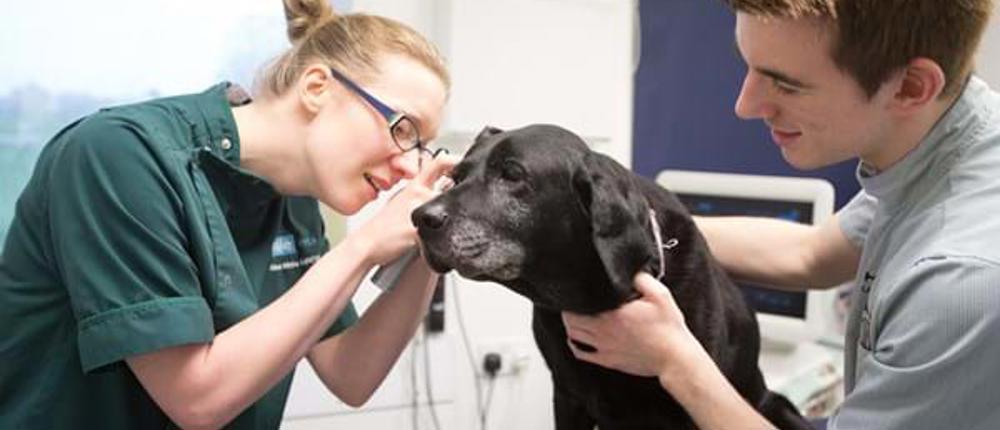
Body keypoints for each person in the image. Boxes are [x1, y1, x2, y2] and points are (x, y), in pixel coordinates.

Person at [0, 0, 458, 428]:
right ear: (317, 87)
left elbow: (350, 373)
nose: (407, 165)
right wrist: (362, 248)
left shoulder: (294, 198)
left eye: (420, 146)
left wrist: (439, 237)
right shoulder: (119, 157)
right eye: (403, 128)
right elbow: (197, 401)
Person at [562, 0, 1000, 429]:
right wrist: (626, 227)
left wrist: (673, 361)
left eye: (786, 84)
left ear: (909, 87)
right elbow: (809, 255)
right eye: (748, 66)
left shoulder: (961, 282)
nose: (746, 106)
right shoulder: (939, 137)